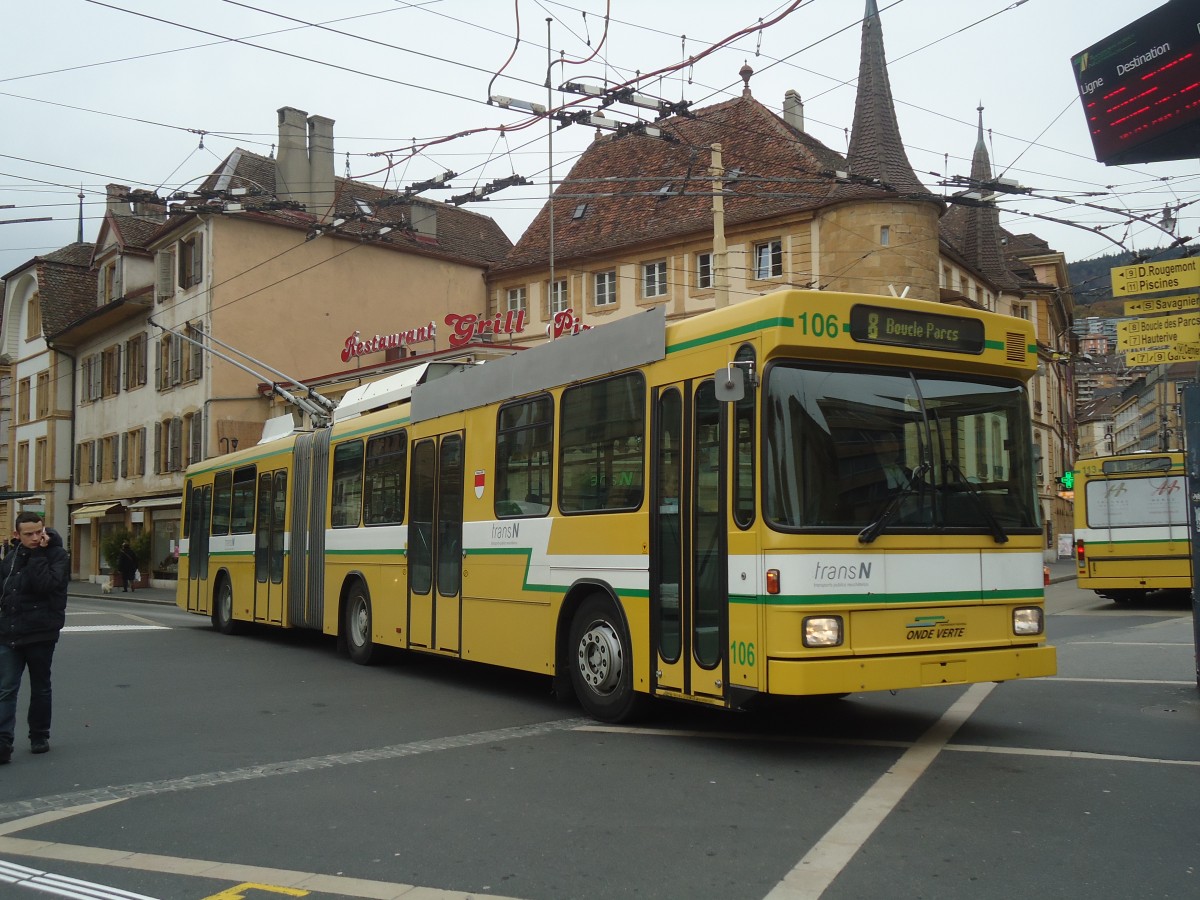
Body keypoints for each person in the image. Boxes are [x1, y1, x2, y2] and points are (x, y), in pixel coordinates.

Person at [0, 512, 69, 762]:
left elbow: (45, 585)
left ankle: (39, 735)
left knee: (40, 687)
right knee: (6, 689)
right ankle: (3, 742)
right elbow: (6, 592)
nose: (34, 537)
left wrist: (39, 554)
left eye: (38, 532)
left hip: (41, 633)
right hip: (10, 632)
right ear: (17, 535)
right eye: (28, 533)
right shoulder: (10, 558)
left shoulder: (56, 555)